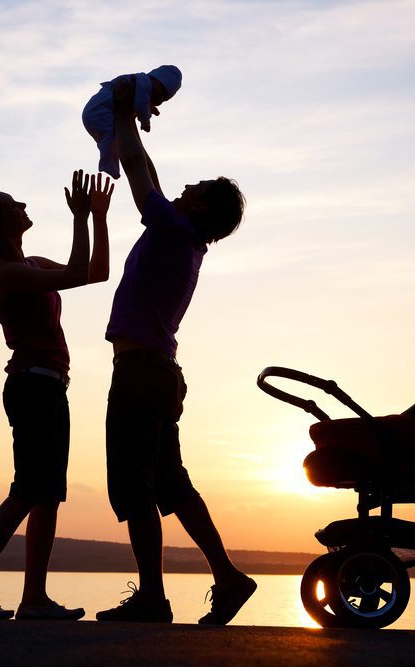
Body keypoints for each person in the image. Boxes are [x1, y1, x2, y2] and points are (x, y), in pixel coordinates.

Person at [95, 80, 254, 625]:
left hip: (141, 372)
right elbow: (153, 177)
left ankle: (152, 599)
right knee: (171, 484)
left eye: (200, 185)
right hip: (159, 372)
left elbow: (142, 179)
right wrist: (129, 125)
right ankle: (229, 578)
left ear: (203, 206)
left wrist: (121, 113)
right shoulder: (183, 237)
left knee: (139, 489)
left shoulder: (172, 231)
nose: (188, 184)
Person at [0, 170, 113, 621]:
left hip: (49, 385)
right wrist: (80, 218)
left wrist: (98, 217)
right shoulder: (10, 271)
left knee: (47, 494)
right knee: (27, 491)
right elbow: (77, 272)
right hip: (32, 385)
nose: (23, 206)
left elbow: (96, 273)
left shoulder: (30, 263)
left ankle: (33, 597)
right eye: (13, 203)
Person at [82, 65, 182, 179]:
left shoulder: (139, 84)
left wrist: (145, 109)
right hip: (98, 111)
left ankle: (110, 164)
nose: (160, 99)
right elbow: (141, 104)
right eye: (161, 92)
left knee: (112, 140)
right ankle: (108, 165)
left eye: (164, 99)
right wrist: (145, 121)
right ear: (155, 79)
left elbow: (140, 102)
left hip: (97, 111)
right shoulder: (143, 82)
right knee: (108, 140)